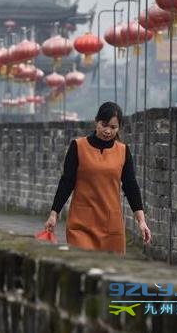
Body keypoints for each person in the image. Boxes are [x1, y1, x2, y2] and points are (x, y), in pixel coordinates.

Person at [44, 101, 152, 255]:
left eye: (113, 127)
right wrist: (54, 214)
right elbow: (67, 182)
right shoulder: (78, 147)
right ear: (96, 121)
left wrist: (141, 221)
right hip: (81, 225)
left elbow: (130, 185)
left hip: (111, 225)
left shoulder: (123, 151)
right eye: (104, 124)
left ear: (119, 127)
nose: (108, 131)